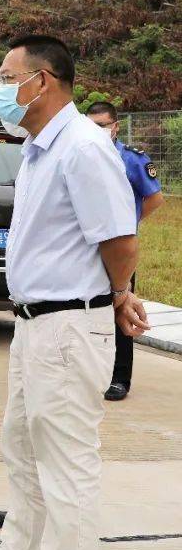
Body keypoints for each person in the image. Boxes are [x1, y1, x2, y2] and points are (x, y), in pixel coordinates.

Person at [0, 35, 148, 550]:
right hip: (34, 322)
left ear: (46, 81)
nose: (0, 88)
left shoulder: (83, 148)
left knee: (66, 461)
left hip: (68, 323)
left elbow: (119, 238)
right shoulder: (37, 146)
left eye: (9, 76)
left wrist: (118, 293)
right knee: (22, 445)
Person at [86, 101, 163, 401]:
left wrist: (125, 224)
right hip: (88, 247)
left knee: (121, 308)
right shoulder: (84, 155)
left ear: (116, 126)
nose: (98, 130)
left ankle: (120, 378)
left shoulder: (131, 160)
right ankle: (93, 372)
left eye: (103, 125)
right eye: (91, 125)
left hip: (118, 249)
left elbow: (154, 199)